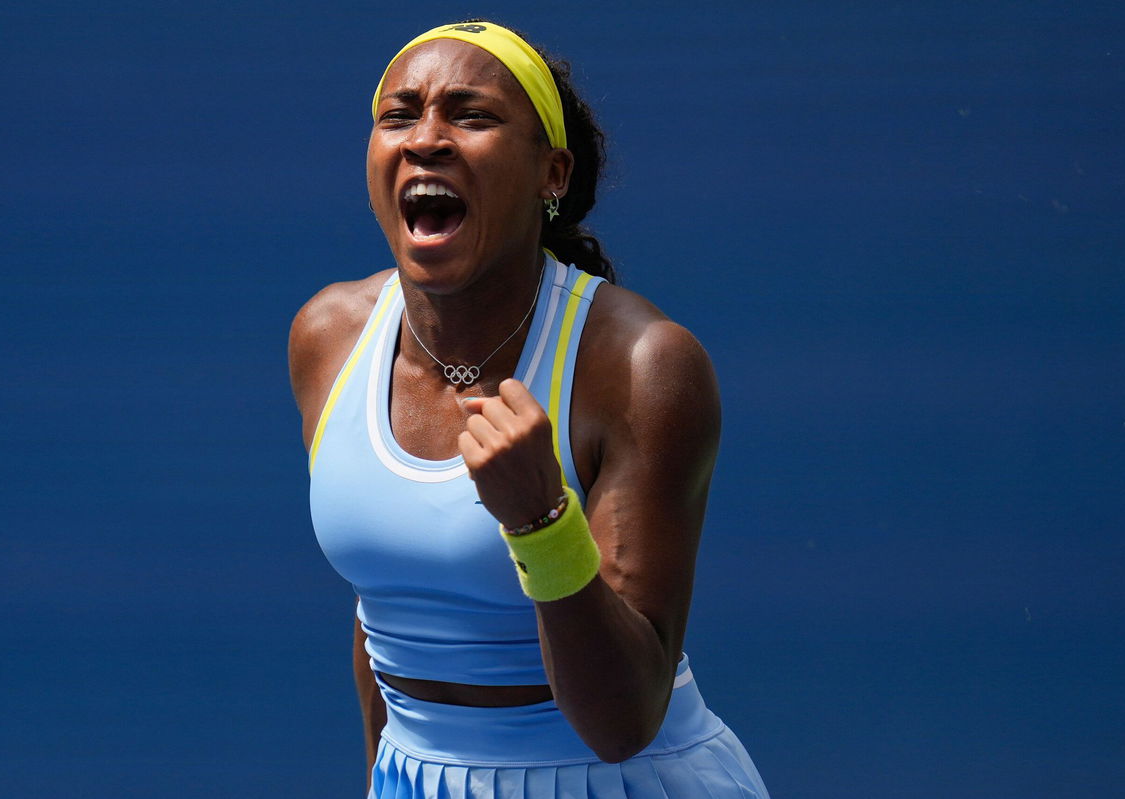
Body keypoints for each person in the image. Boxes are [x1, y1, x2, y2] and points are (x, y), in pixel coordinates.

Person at [289, 20, 770, 798]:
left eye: (471, 115)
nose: (428, 139)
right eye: (400, 114)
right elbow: (385, 607)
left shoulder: (645, 367)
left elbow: (623, 720)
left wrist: (541, 522)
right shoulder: (328, 336)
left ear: (552, 173)